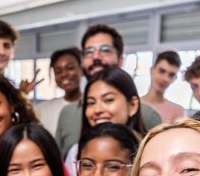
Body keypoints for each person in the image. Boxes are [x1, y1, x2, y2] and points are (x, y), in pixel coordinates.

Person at [55, 24, 161, 157]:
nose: (96, 57)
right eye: (89, 52)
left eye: (105, 50)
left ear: (120, 59)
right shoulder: (67, 114)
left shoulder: (148, 115)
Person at [65, 66, 145, 176]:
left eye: (108, 100)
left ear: (133, 105)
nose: (97, 110)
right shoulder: (76, 152)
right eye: (90, 102)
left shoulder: (150, 153)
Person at [35, 47, 83, 136]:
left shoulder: (92, 107)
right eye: (58, 71)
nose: (64, 74)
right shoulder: (42, 109)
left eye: (70, 68)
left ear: (81, 70)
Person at [140, 51, 187, 123]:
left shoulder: (178, 112)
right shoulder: (133, 104)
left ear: (174, 79)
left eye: (171, 75)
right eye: (161, 71)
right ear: (152, 70)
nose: (165, 78)